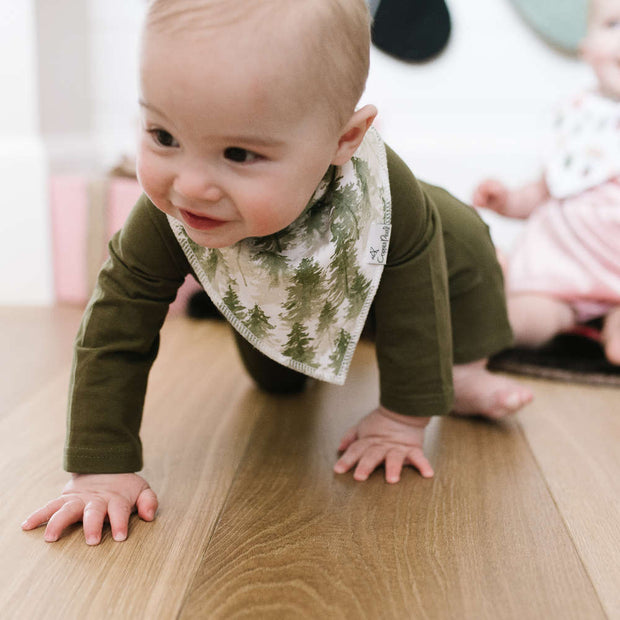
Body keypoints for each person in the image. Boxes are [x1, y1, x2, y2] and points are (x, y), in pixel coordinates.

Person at [22, 0, 532, 546]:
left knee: (467, 240)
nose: (190, 186)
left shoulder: (388, 200)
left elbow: (417, 303)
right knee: (277, 384)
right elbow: (114, 326)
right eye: (163, 136)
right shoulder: (168, 217)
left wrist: (404, 417)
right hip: (287, 283)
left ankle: (468, 367)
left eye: (239, 153)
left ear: (344, 139)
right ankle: (315, 349)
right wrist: (100, 466)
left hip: (431, 262)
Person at [473, 0, 620, 365]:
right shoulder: (577, 118)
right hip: (558, 270)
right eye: (614, 24)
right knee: (529, 315)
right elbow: (546, 190)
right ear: (586, 49)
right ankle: (485, 328)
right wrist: (507, 201)